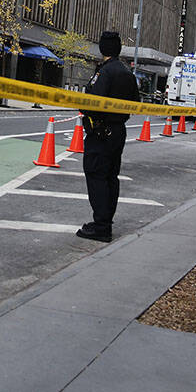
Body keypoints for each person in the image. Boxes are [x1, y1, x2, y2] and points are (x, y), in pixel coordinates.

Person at [77, 31, 140, 243]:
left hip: (101, 132)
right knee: (111, 177)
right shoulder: (127, 72)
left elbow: (92, 103)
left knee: (96, 175)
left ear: (103, 48)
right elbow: (136, 102)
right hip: (118, 131)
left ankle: (101, 226)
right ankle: (106, 221)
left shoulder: (105, 72)